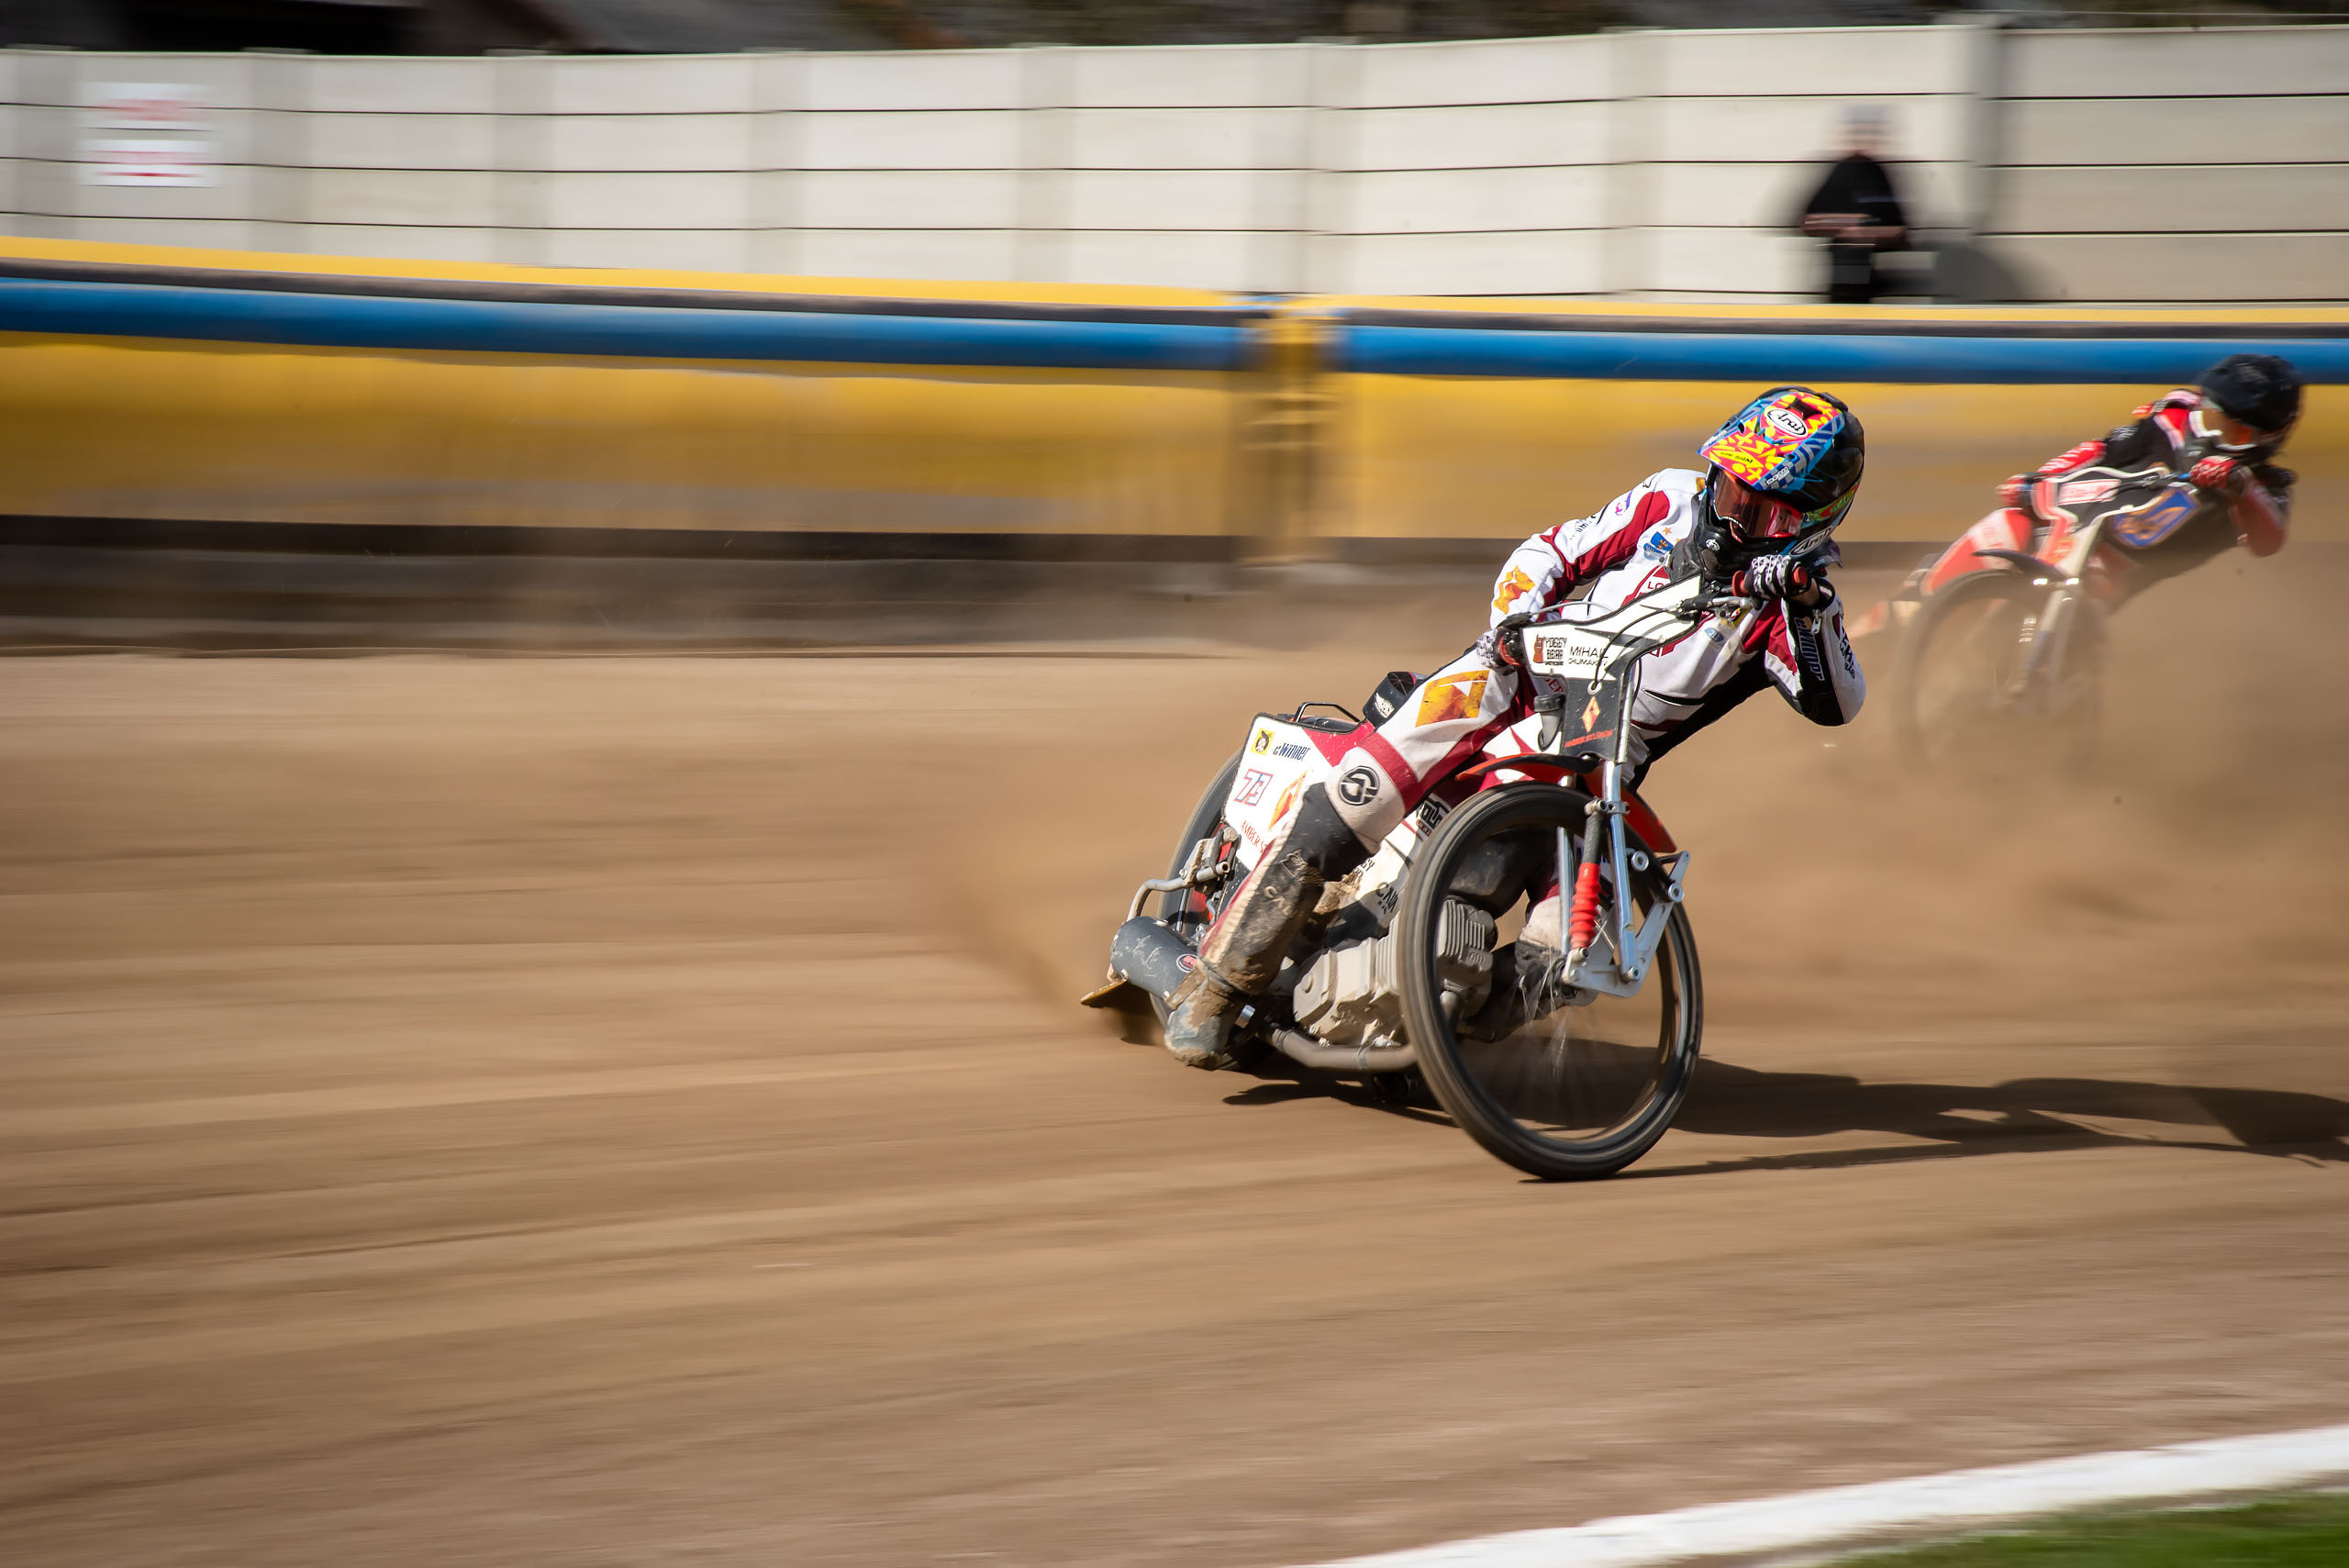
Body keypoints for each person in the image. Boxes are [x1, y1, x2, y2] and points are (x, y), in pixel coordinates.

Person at [1161, 387, 1869, 1068]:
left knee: (1575, 953)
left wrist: (1808, 604)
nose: (1738, 517)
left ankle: (1440, 1041)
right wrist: (1512, 622)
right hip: (1512, 674)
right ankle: (1217, 984)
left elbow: (1837, 701)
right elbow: (1551, 552)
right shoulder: (1669, 497)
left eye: (1767, 512)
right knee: (1356, 793)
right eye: (1731, 490)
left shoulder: (1796, 605)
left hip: (1595, 767)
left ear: (1816, 517)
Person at [1856, 353, 2300, 640]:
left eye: (2233, 429)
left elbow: (2268, 541)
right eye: (2211, 415)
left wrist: (2239, 486)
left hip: (2106, 576)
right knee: (1932, 588)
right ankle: (1849, 666)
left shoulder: (2265, 486)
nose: (2212, 430)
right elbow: (2102, 448)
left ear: (2268, 438)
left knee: (2069, 634)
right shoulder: (2172, 420)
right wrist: (2040, 477)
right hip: (2056, 525)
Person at [1796, 106, 1909, 305]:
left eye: (1871, 133)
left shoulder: (1880, 174)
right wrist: (1847, 225)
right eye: (1859, 133)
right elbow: (1803, 221)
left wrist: (1868, 231)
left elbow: (1902, 231)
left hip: (1873, 287)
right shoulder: (1838, 171)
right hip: (1838, 283)